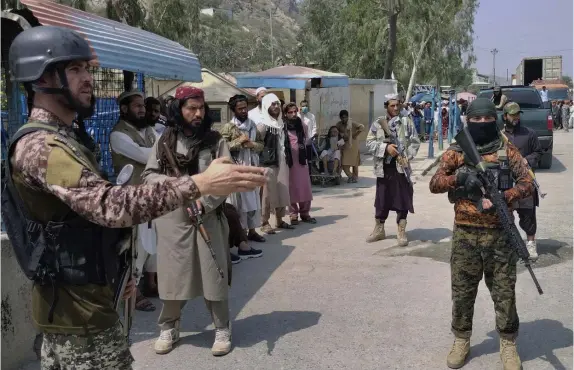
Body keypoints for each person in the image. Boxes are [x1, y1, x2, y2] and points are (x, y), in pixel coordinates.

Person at [5, 26, 266, 370]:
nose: (88, 79)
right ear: (42, 79)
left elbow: (80, 221)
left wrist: (113, 270)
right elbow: (110, 206)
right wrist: (200, 183)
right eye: (74, 69)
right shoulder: (41, 147)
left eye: (87, 68)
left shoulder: (68, 139)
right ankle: (169, 327)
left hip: (92, 301)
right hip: (75, 315)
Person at [429, 98, 534, 370]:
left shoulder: (507, 151)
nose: (482, 124)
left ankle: (508, 344)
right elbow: (435, 183)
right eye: (476, 120)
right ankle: (461, 340)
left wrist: (505, 195)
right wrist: (459, 179)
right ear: (468, 121)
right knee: (462, 293)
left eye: (487, 119)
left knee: (504, 293)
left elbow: (528, 183)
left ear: (495, 119)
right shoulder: (457, 151)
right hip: (465, 235)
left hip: (500, 235)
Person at [143, 86, 234, 357]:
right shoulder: (164, 141)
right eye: (191, 108)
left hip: (207, 214)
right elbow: (149, 176)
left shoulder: (215, 141)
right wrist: (179, 186)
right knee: (173, 275)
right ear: (178, 110)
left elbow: (226, 177)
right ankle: (169, 326)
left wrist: (204, 203)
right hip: (173, 218)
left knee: (213, 272)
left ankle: (221, 328)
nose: (197, 113)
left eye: (201, 108)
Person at [110, 90, 160, 308]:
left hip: (152, 195)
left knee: (153, 242)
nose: (143, 110)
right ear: (124, 109)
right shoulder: (117, 135)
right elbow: (146, 155)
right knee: (136, 246)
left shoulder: (148, 130)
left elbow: (161, 148)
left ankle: (151, 283)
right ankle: (134, 293)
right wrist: (159, 149)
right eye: (138, 106)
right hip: (132, 199)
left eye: (143, 106)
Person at [366, 94, 420, 246]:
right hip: (383, 168)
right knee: (381, 200)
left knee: (402, 199)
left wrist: (407, 156)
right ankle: (379, 229)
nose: (396, 108)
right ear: (386, 106)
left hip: (401, 168)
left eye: (398, 105)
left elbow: (415, 142)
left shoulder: (406, 122)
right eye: (392, 105)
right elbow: (369, 143)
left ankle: (401, 230)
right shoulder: (378, 124)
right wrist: (386, 148)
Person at [219, 94, 266, 249]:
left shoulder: (253, 125)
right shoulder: (228, 127)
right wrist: (239, 142)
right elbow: (222, 147)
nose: (244, 111)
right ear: (234, 110)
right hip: (237, 168)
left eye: (245, 107)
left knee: (253, 200)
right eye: (240, 109)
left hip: (252, 166)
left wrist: (252, 145)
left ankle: (252, 230)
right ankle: (242, 233)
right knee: (240, 202)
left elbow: (261, 145)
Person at [502, 102, 543, 261]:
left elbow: (538, 152)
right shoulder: (499, 136)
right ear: (505, 116)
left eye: (518, 114)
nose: (516, 117)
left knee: (528, 214)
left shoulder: (529, 134)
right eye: (512, 115)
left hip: (524, 181)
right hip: (505, 182)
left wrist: (528, 160)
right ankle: (509, 244)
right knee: (506, 214)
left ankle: (531, 243)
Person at [257, 93, 294, 234]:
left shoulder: (281, 124)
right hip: (268, 163)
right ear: (266, 106)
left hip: (282, 161)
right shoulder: (262, 126)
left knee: (282, 191)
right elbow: (257, 146)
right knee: (266, 194)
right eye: (273, 104)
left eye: (278, 103)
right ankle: (264, 222)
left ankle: (279, 220)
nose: (277, 106)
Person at [283, 103, 316, 224]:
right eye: (290, 112)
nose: (292, 114)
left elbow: (306, 139)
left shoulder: (302, 125)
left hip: (301, 160)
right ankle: (293, 214)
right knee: (291, 187)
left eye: (294, 112)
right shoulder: (283, 126)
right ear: (285, 114)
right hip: (289, 162)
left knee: (304, 186)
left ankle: (305, 213)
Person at [335, 110, 364, 183]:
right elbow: (335, 131)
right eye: (342, 118)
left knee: (354, 162)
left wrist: (355, 135)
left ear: (348, 117)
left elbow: (362, 127)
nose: (344, 119)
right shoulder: (339, 124)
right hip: (345, 145)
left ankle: (355, 177)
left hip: (353, 144)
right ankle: (351, 176)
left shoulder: (352, 123)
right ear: (340, 118)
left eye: (345, 117)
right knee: (344, 163)